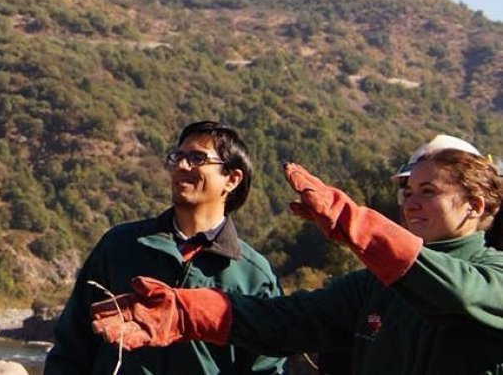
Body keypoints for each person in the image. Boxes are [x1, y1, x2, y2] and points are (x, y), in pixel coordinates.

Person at [90, 140, 503, 374]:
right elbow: (287, 321)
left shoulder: (495, 275)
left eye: (428, 192)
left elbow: (458, 293)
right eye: (407, 192)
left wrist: (356, 226)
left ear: (476, 205)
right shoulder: (372, 286)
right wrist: (189, 313)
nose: (411, 204)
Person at [45, 121, 287, 374]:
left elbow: (266, 367)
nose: (182, 166)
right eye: (178, 157)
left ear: (232, 179)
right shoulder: (120, 246)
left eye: (197, 158)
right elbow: (72, 344)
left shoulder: (253, 275)